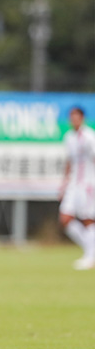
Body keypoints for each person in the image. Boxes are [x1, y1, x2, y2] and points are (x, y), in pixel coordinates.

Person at [59, 106, 95, 270]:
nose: (74, 120)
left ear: (82, 118)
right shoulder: (69, 137)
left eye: (77, 117)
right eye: (71, 117)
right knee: (65, 218)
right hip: (73, 184)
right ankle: (90, 250)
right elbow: (69, 162)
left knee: (88, 219)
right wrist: (64, 184)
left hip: (88, 184)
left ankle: (90, 257)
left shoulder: (89, 137)